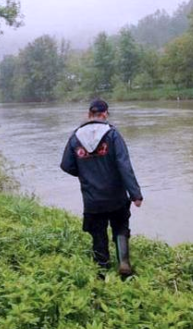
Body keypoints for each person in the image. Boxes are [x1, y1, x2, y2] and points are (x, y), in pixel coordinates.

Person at [60, 99, 143, 277]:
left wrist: (85, 173)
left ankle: (101, 271)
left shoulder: (75, 137)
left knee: (98, 233)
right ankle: (124, 263)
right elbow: (124, 165)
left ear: (89, 114)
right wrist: (135, 194)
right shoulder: (112, 134)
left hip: (92, 199)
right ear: (105, 114)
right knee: (120, 227)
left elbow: (66, 165)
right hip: (116, 196)